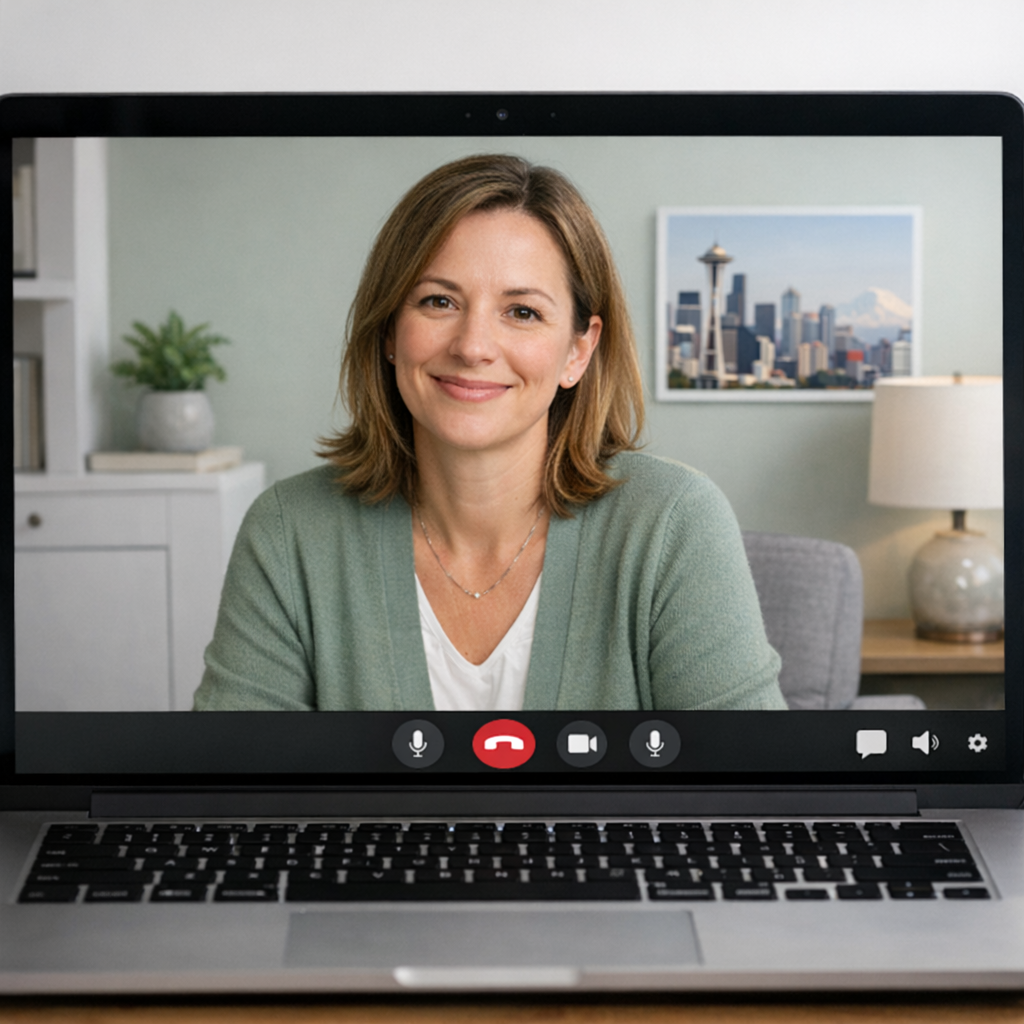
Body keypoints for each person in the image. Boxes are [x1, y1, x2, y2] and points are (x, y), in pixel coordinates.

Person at [194, 154, 786, 712]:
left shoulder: (674, 523)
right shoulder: (288, 531)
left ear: (578, 351)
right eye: (438, 301)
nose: (473, 346)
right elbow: (232, 778)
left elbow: (753, 776)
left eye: (522, 312)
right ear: (390, 332)